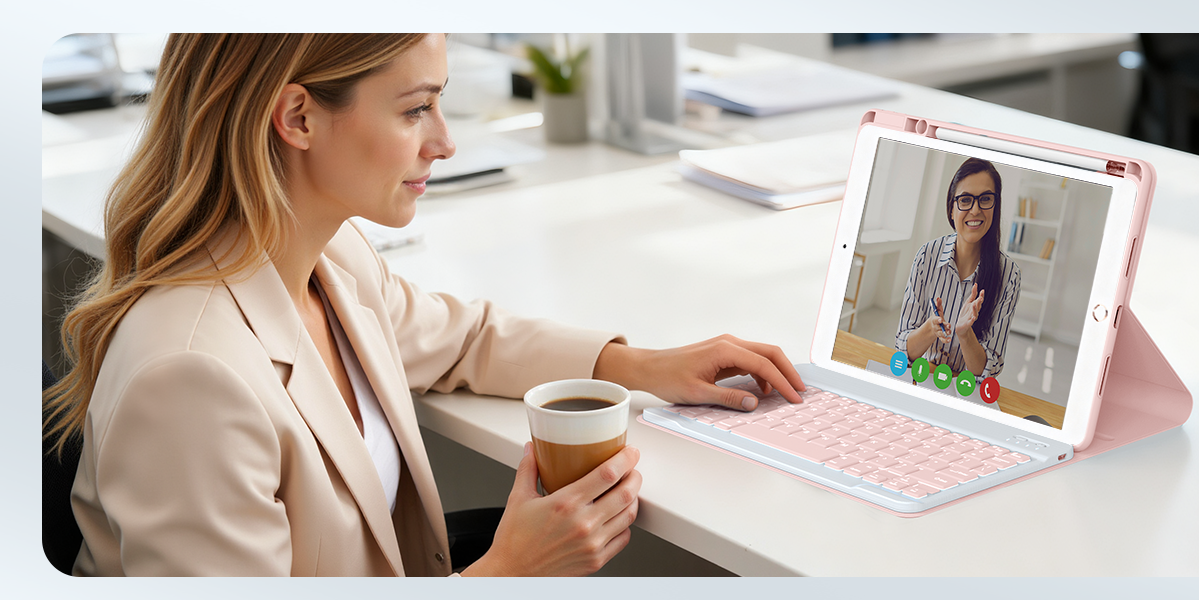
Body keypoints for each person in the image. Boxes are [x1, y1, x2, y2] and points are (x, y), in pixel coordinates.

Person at [42, 33, 805, 577]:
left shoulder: (328, 257)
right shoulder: (190, 377)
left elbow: (464, 338)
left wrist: (642, 366)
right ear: (297, 117)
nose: (444, 142)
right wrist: (508, 572)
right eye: (415, 110)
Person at [894, 157, 1021, 388]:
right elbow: (904, 349)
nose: (975, 210)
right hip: (921, 380)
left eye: (985, 199)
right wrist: (930, 328)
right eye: (965, 200)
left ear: (996, 207)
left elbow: (988, 372)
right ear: (951, 210)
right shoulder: (926, 256)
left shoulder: (1009, 275)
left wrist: (965, 334)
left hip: (964, 390)